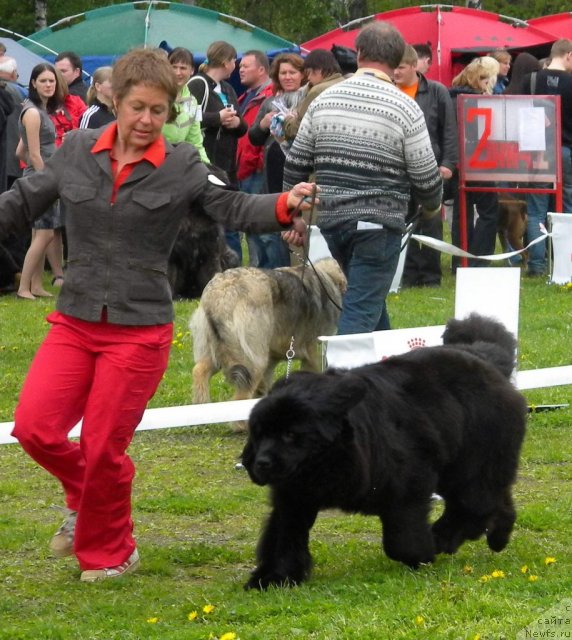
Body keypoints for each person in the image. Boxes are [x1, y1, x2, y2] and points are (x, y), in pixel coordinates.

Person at [0, 48, 314, 583]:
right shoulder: (76, 149)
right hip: (74, 320)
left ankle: (112, 550)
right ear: (113, 100)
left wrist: (286, 203)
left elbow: (235, 208)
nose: (147, 121)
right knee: (35, 429)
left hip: (138, 329)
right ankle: (86, 497)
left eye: (158, 110)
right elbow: (24, 200)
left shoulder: (182, 165)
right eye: (137, 108)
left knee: (103, 446)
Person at [284, 22, 442, 334]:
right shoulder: (405, 108)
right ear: (398, 61)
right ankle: (338, 381)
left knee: (368, 300)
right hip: (378, 225)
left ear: (358, 54)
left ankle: (388, 379)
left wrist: (292, 216)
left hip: (332, 222)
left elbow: (295, 164)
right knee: (359, 312)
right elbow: (426, 177)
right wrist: (432, 205)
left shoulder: (324, 100)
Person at [394, 44, 458, 288]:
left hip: (430, 167)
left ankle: (431, 276)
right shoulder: (389, 90)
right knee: (404, 220)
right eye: (394, 68)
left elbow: (449, 130)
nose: (396, 73)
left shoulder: (437, 91)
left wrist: (449, 163)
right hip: (398, 169)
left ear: (413, 66)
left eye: (400, 67)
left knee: (431, 223)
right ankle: (408, 274)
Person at [188, 40, 247, 259]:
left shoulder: (229, 89)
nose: (235, 64)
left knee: (231, 220)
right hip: (207, 164)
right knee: (210, 221)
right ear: (224, 61)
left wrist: (236, 123)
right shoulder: (198, 84)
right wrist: (217, 118)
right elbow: (188, 118)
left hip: (228, 165)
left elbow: (243, 126)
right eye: (233, 60)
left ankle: (235, 266)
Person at [249, 52, 307, 268]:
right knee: (274, 225)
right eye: (283, 73)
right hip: (271, 173)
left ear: (302, 75)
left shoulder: (307, 99)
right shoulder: (269, 102)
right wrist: (263, 125)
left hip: (299, 169)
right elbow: (254, 138)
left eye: (292, 72)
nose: (288, 76)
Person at [521, 39, 572, 276]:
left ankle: (537, 265)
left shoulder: (531, 80)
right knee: (567, 209)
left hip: (537, 150)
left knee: (536, 210)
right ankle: (564, 264)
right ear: (569, 56)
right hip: (566, 150)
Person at [15, 63, 64, 299]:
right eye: (43, 81)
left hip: (38, 176)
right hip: (41, 179)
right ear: (33, 83)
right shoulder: (33, 113)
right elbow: (32, 154)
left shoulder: (38, 110)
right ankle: (24, 287)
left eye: (52, 81)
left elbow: (19, 152)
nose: (48, 85)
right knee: (45, 234)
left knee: (40, 234)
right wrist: (46, 180)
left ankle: (35, 285)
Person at [449, 56, 500, 270]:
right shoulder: (483, 101)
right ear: (485, 79)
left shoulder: (450, 97)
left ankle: (459, 259)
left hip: (458, 163)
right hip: (481, 162)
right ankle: (480, 259)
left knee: (462, 211)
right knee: (489, 211)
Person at [236, 50, 274, 266]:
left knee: (262, 228)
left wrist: (258, 164)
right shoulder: (247, 96)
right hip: (244, 169)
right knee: (251, 226)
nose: (240, 69)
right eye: (240, 66)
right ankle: (256, 271)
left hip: (257, 171)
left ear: (261, 70)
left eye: (246, 66)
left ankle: (264, 273)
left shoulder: (269, 96)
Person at [282, 49, 344, 142]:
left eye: (310, 72)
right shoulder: (345, 83)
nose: (309, 77)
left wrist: (287, 119)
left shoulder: (317, 90)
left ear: (319, 70)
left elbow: (296, 130)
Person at [162, 47, 209, 163]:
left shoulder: (193, 102)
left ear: (192, 70)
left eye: (183, 68)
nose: (178, 72)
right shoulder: (156, 96)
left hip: (177, 164)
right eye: (174, 67)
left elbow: (195, 142)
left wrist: (208, 168)